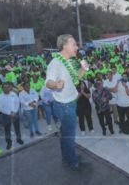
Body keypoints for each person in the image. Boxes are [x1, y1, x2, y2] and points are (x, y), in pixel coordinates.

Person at [46, 34, 87, 171]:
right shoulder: (56, 63)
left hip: (70, 103)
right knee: (69, 136)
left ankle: (67, 156)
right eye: (74, 44)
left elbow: (76, 79)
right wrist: (56, 85)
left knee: (65, 135)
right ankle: (72, 161)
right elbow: (48, 82)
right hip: (65, 106)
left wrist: (83, 69)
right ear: (64, 46)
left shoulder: (69, 61)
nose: (77, 47)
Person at [0, 82, 24, 150]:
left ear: (10, 87)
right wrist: (9, 113)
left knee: (17, 128)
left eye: (8, 87)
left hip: (15, 113)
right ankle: (9, 142)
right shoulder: (0, 97)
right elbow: (0, 108)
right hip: (6, 115)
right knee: (7, 130)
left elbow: (17, 103)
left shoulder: (13, 94)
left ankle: (19, 139)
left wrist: (15, 111)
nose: (6, 89)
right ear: (2, 89)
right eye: (4, 87)